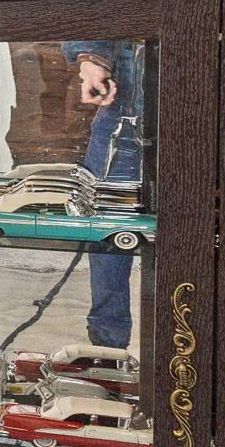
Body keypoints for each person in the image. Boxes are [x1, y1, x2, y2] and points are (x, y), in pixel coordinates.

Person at [61, 39, 144, 351]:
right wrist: (90, 59)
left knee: (192, 239)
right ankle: (108, 353)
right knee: (108, 236)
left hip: (194, 97)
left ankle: (181, 358)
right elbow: (89, 13)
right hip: (123, 108)